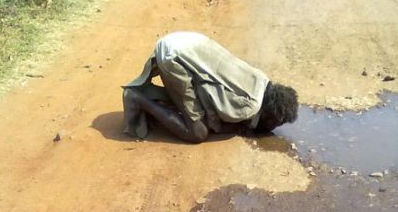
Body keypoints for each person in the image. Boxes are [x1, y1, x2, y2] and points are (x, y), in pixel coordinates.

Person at [122, 32, 298, 143]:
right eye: (277, 123)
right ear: (270, 117)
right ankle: (137, 98)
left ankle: (150, 98)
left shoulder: (262, 80)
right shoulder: (249, 108)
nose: (274, 128)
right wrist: (232, 127)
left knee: (189, 102)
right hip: (175, 58)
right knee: (198, 132)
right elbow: (211, 111)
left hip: (186, 41)